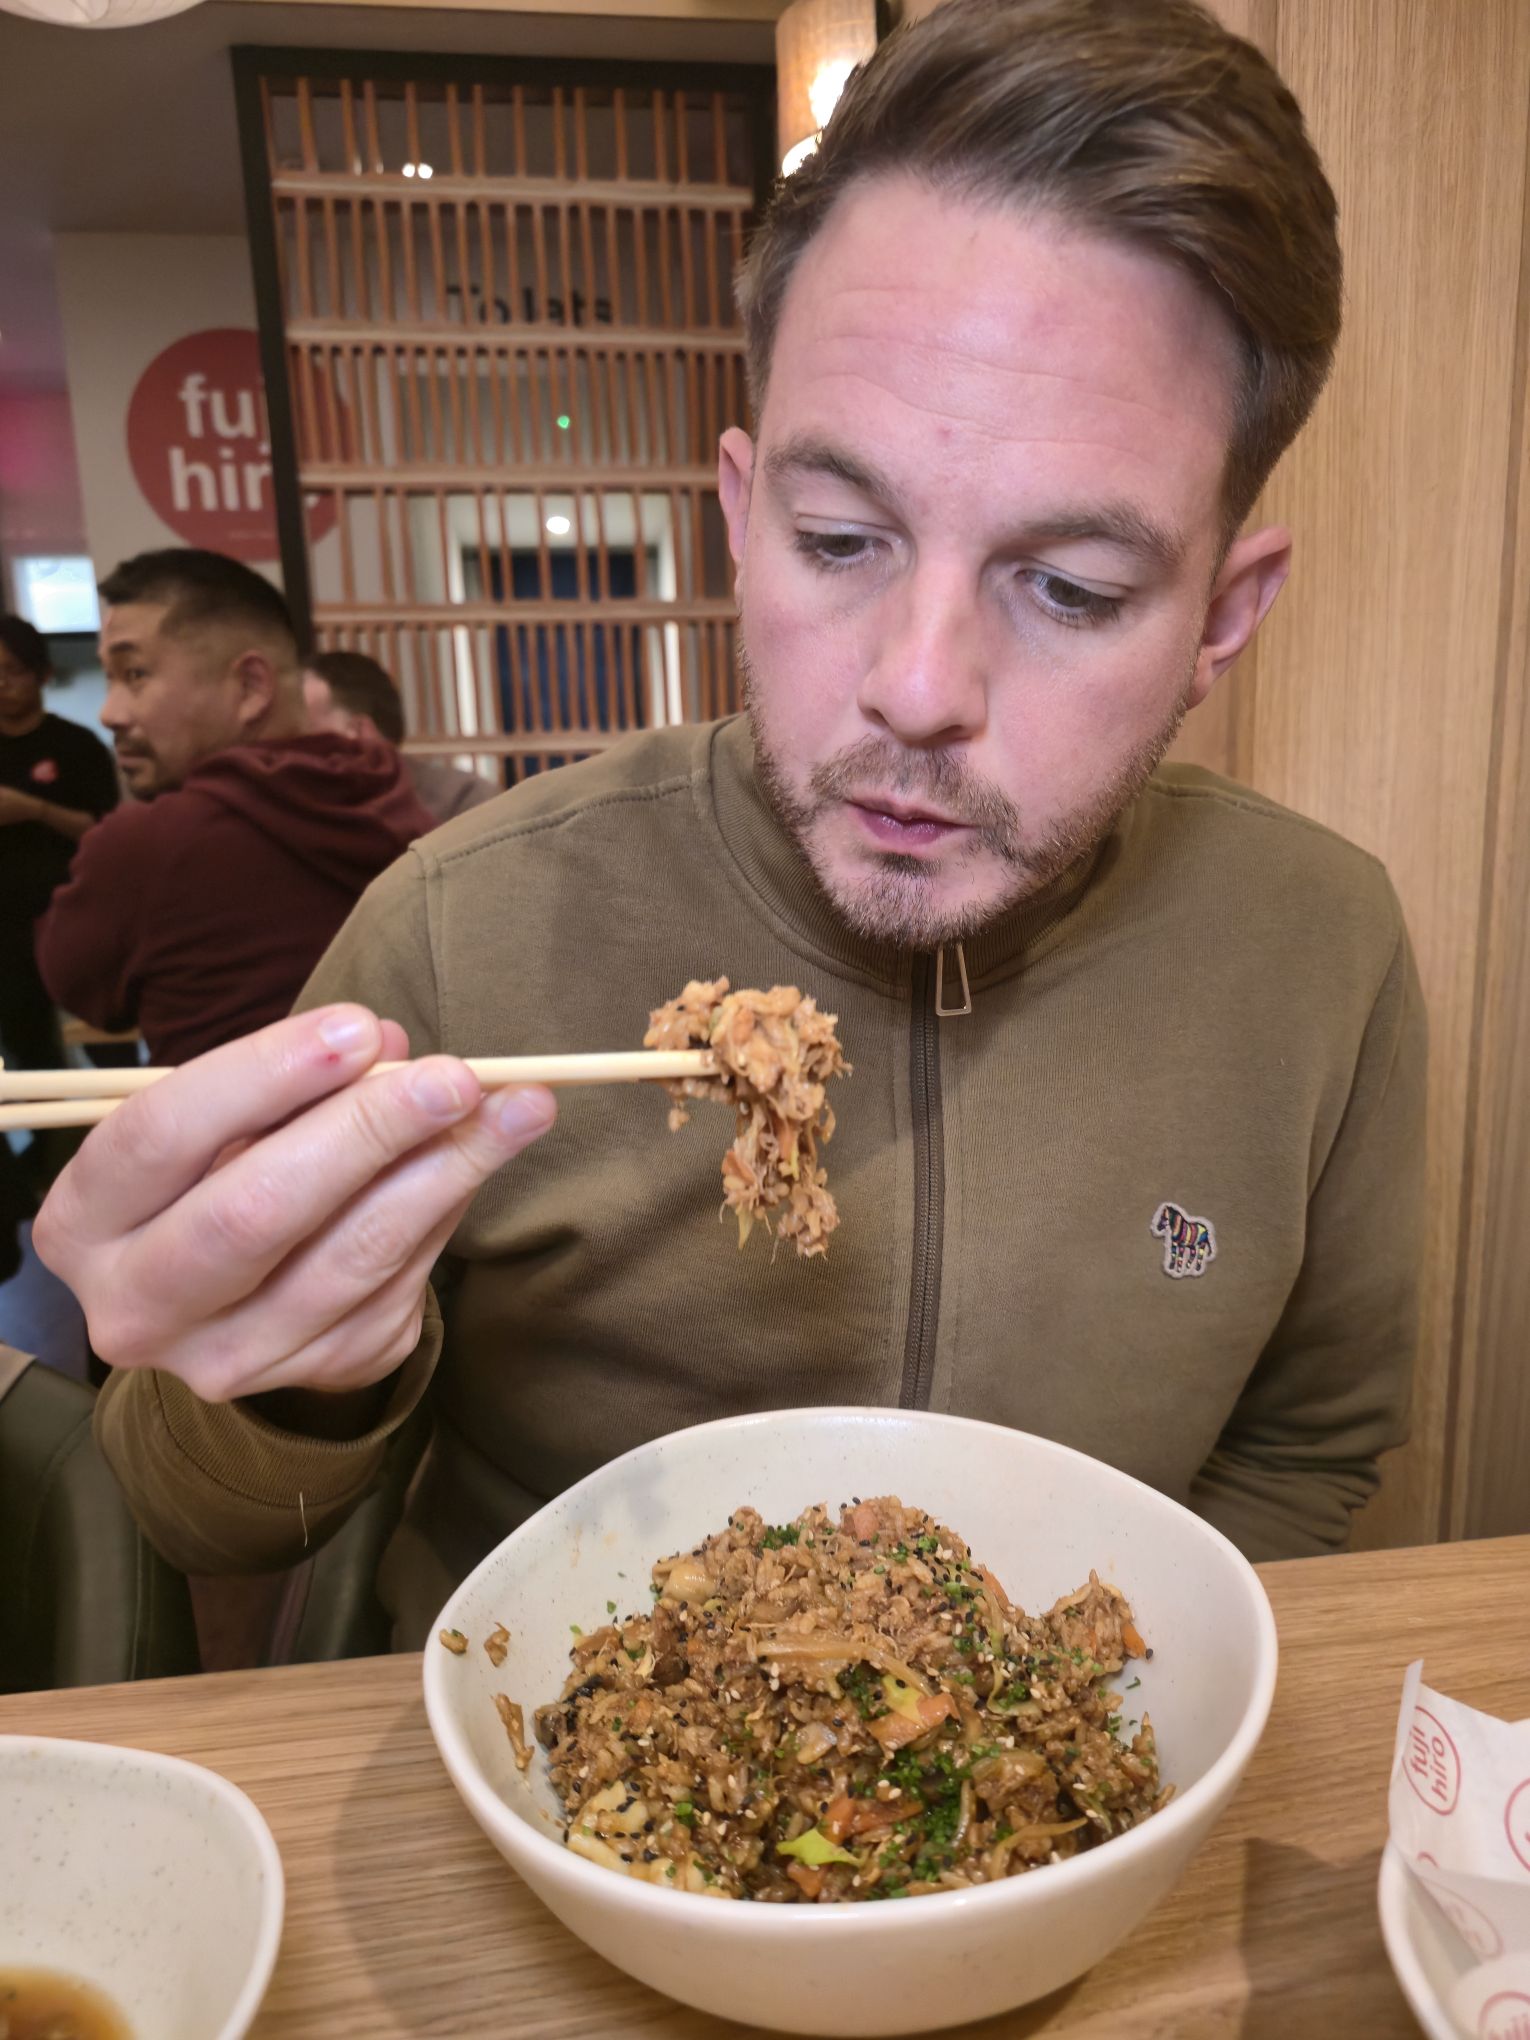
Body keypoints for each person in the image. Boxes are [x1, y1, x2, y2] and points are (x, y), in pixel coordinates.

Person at [37, 0, 1426, 1650]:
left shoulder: (1317, 946)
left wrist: (1111, 1711)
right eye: (839, 539)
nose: (916, 689)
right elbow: (197, 1508)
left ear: (1219, 616)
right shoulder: (463, 928)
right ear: (740, 516)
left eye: (1069, 587)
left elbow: (1312, 1445)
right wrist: (294, 1379)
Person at [35, 550, 434, 1066]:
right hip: (418, 1108)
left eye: (134, 674)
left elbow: (78, 988)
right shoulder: (393, 792)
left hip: (224, 1119)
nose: (110, 712)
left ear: (250, 687)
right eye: (109, 677)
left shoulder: (148, 844)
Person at [0, 616, 120, 1079]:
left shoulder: (77, 745)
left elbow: (105, 831)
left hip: (73, 913)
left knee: (107, 1041)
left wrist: (34, 809)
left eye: (13, 671)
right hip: (6, 927)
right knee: (29, 1049)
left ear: (43, 674)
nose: (2, 684)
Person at [303, 648, 499, 825]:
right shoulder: (302, 814)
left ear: (359, 733)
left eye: (305, 732)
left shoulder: (463, 801)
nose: (293, 748)